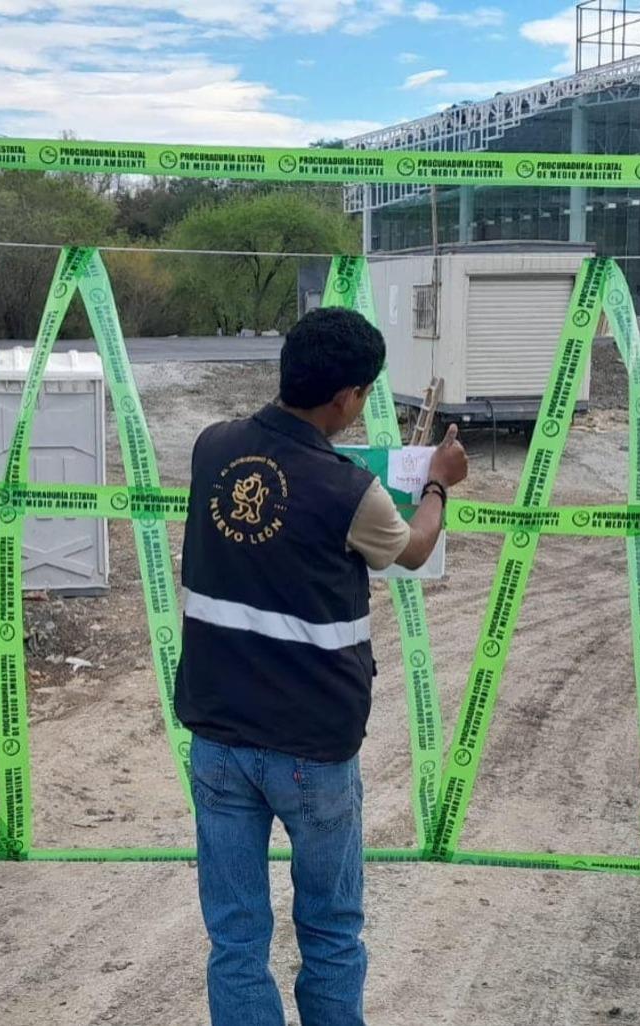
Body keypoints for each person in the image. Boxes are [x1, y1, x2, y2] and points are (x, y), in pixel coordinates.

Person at [174, 307, 469, 1026]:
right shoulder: (349, 491)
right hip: (311, 749)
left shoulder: (212, 449)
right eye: (364, 394)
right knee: (332, 932)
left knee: (236, 938)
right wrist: (437, 483)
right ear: (346, 399)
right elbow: (415, 550)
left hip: (217, 738)